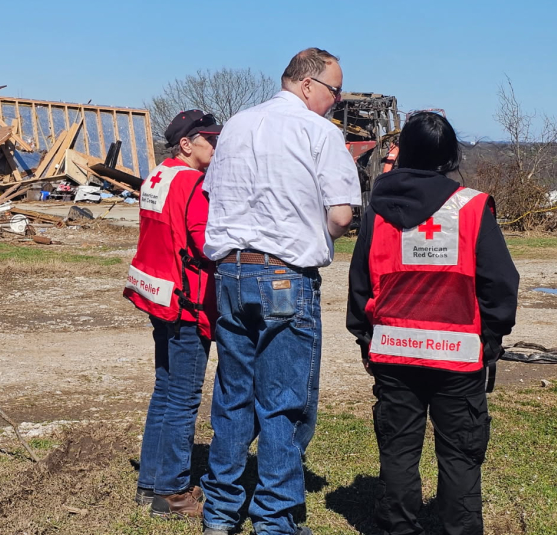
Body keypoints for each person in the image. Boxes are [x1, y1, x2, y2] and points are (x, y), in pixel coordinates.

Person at [200, 48, 360, 535]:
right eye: (334, 92)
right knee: (282, 401)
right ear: (309, 85)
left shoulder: (237, 126)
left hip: (229, 271)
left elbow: (213, 195)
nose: (335, 102)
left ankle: (221, 511)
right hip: (284, 276)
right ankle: (274, 518)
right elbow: (341, 215)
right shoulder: (318, 132)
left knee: (232, 394)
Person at [346, 111, 519, 535]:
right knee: (460, 454)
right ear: (449, 156)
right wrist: (490, 338)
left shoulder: (377, 211)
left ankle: (397, 527)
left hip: (393, 353)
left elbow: (360, 284)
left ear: (402, 152)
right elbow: (500, 283)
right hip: (458, 357)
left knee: (399, 452)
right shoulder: (472, 208)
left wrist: (366, 340)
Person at [124, 109, 222, 519]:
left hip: (157, 295)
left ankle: (150, 483)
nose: (216, 147)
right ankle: (173, 492)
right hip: (186, 301)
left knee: (164, 391)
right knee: (182, 397)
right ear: (187, 143)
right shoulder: (193, 183)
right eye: (210, 140)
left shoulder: (158, 176)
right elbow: (206, 245)